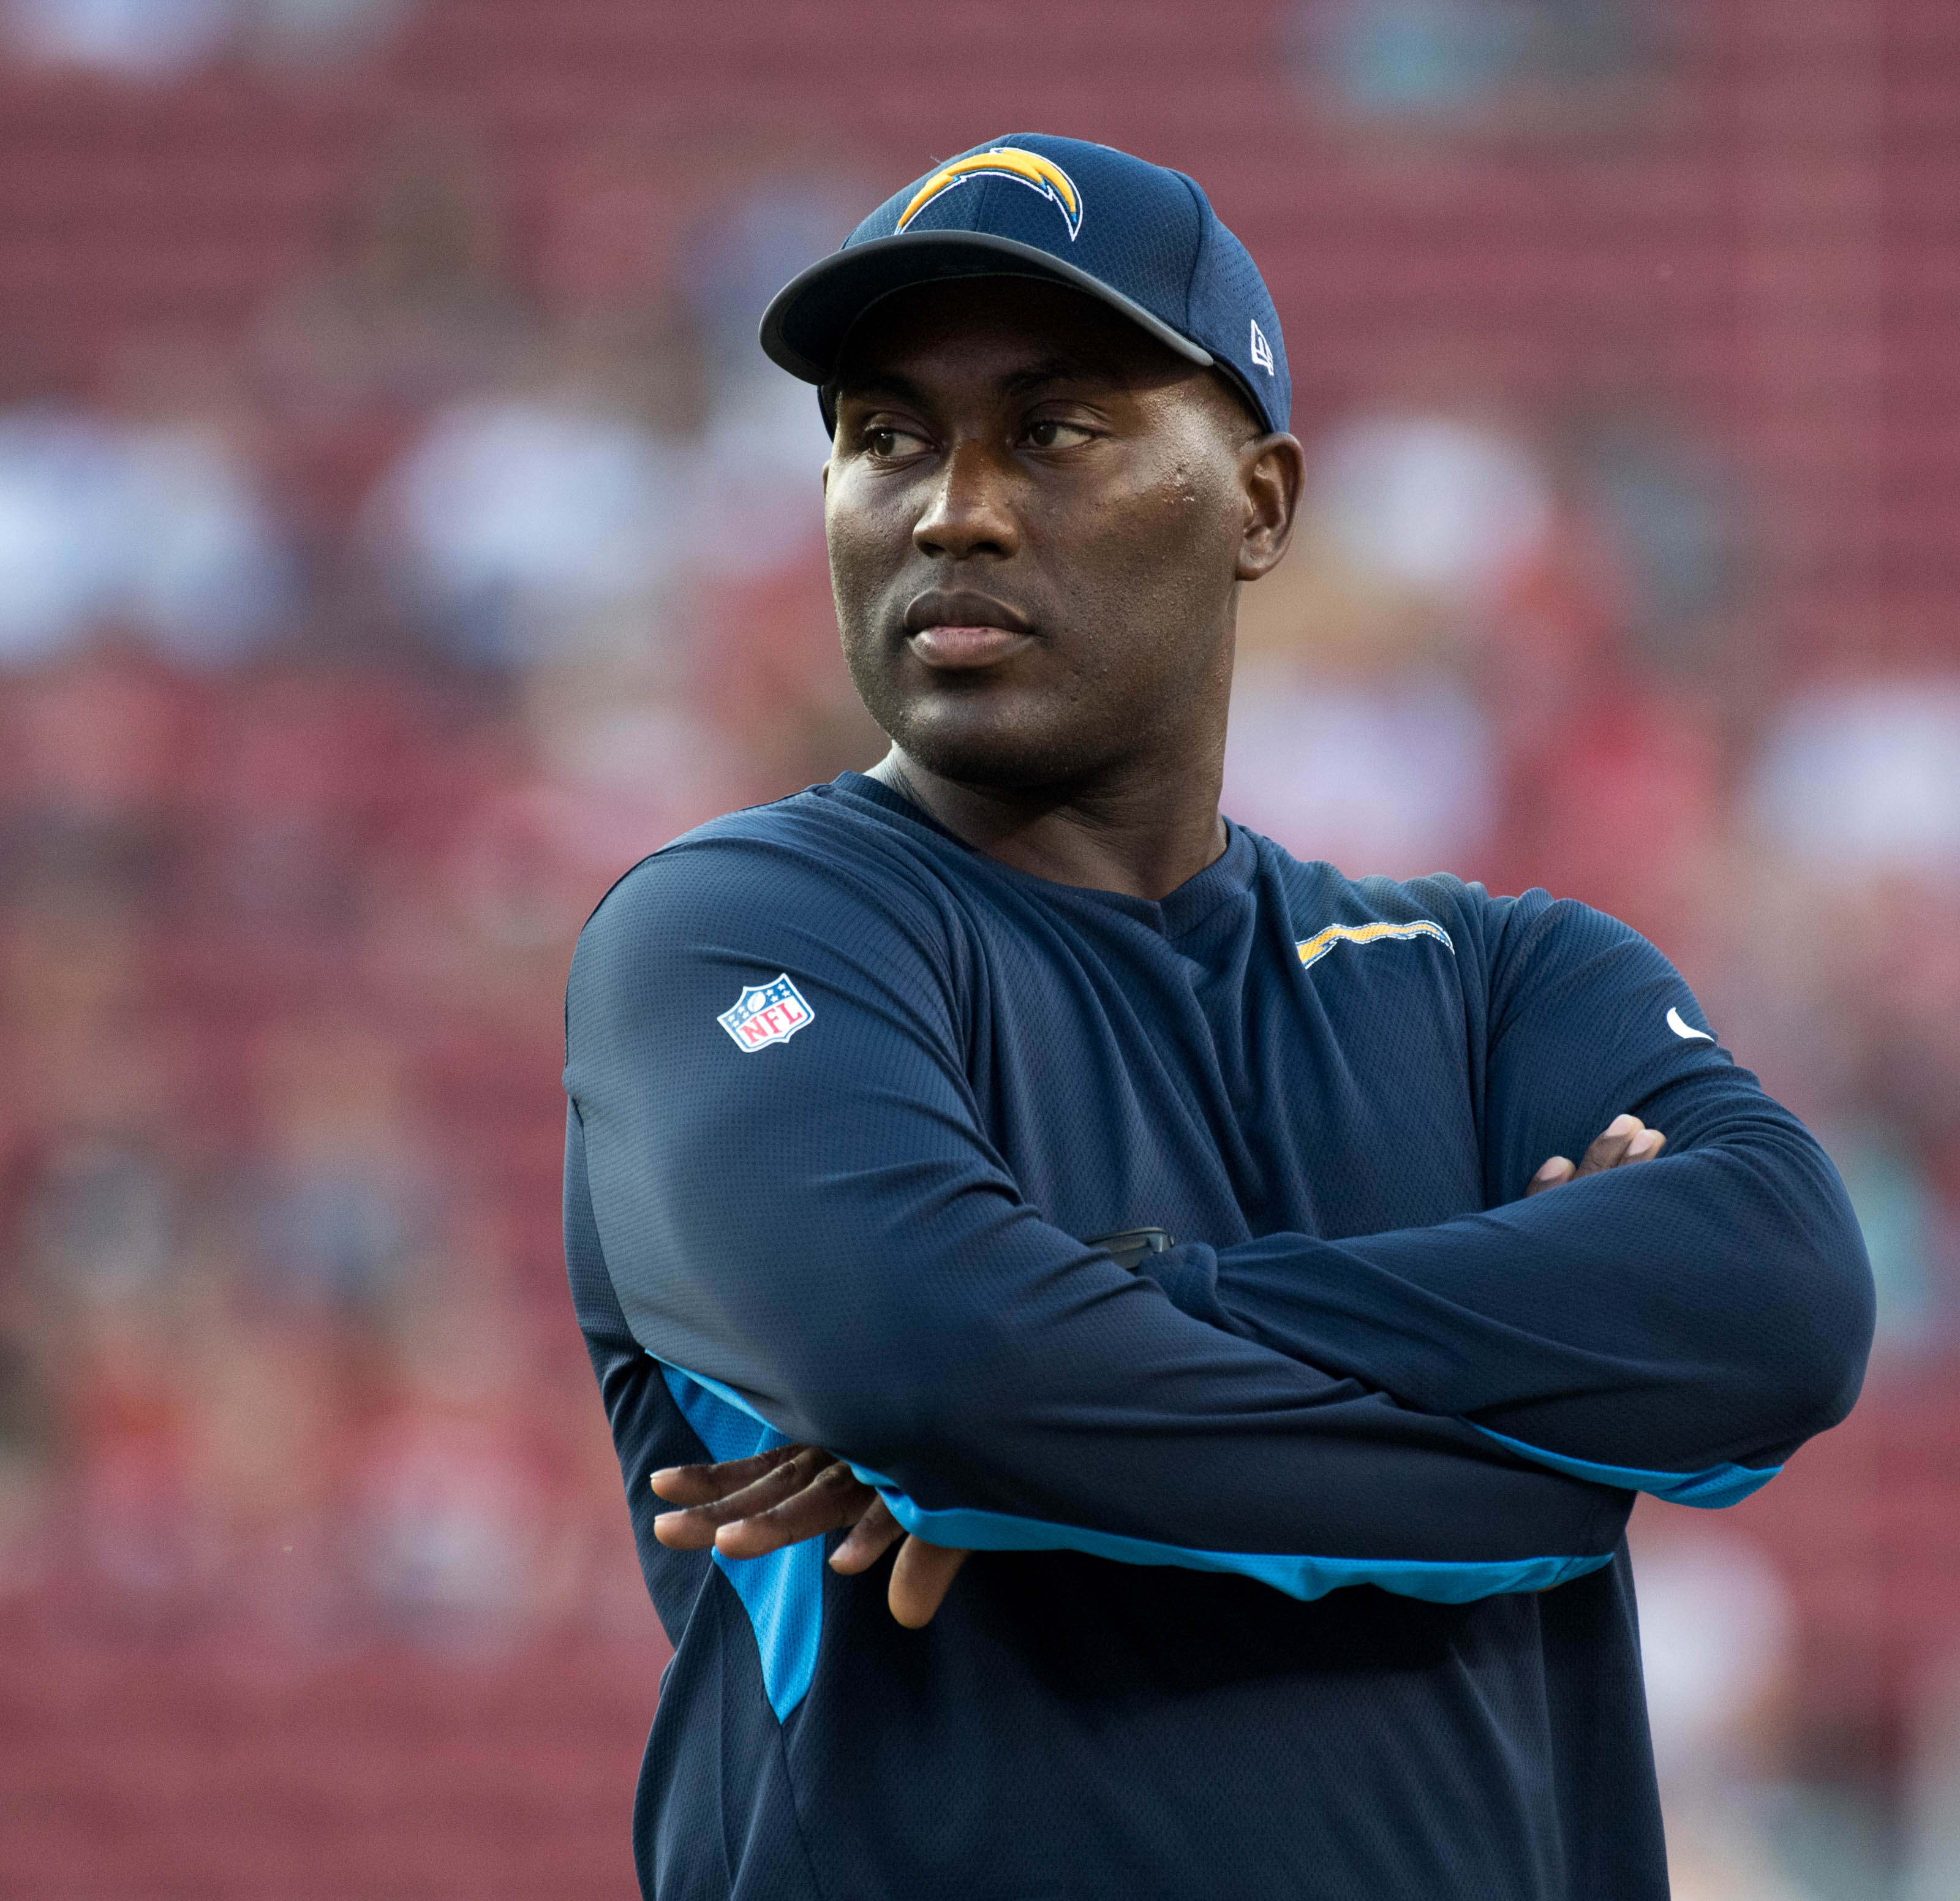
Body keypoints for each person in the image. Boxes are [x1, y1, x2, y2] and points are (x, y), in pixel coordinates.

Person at [561, 134, 1874, 1900]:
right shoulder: (733, 933)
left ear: (1260, 501)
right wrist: (1550, 1469)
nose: (950, 502)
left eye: (1052, 429)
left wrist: (1125, 1307)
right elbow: (923, 1359)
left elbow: (1781, 1299)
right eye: (885, 438)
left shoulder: (1496, 974)